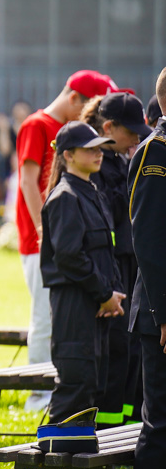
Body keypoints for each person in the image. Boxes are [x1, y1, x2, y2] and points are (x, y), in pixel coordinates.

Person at [15, 70, 116, 411]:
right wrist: (43, 232)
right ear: (75, 97)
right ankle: (40, 394)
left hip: (64, 242)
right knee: (46, 320)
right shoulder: (37, 125)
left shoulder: (88, 187)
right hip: (44, 241)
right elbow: (29, 182)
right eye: (91, 104)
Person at [39, 121, 123, 424]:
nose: (99, 154)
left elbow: (105, 249)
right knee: (77, 378)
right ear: (68, 155)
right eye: (90, 149)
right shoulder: (65, 197)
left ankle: (76, 452)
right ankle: (54, 459)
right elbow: (70, 256)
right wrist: (103, 293)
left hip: (95, 301)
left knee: (93, 379)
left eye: (100, 147)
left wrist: (110, 294)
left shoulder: (91, 190)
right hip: (75, 302)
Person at [80, 92, 151, 427]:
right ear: (108, 126)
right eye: (131, 131)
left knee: (130, 351)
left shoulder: (122, 159)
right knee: (114, 351)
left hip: (129, 264)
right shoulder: (93, 165)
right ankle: (106, 431)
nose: (137, 137)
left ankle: (126, 427)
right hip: (109, 270)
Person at [128, 67, 166, 469]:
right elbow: (150, 239)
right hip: (162, 314)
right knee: (161, 424)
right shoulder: (157, 151)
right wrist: (163, 313)